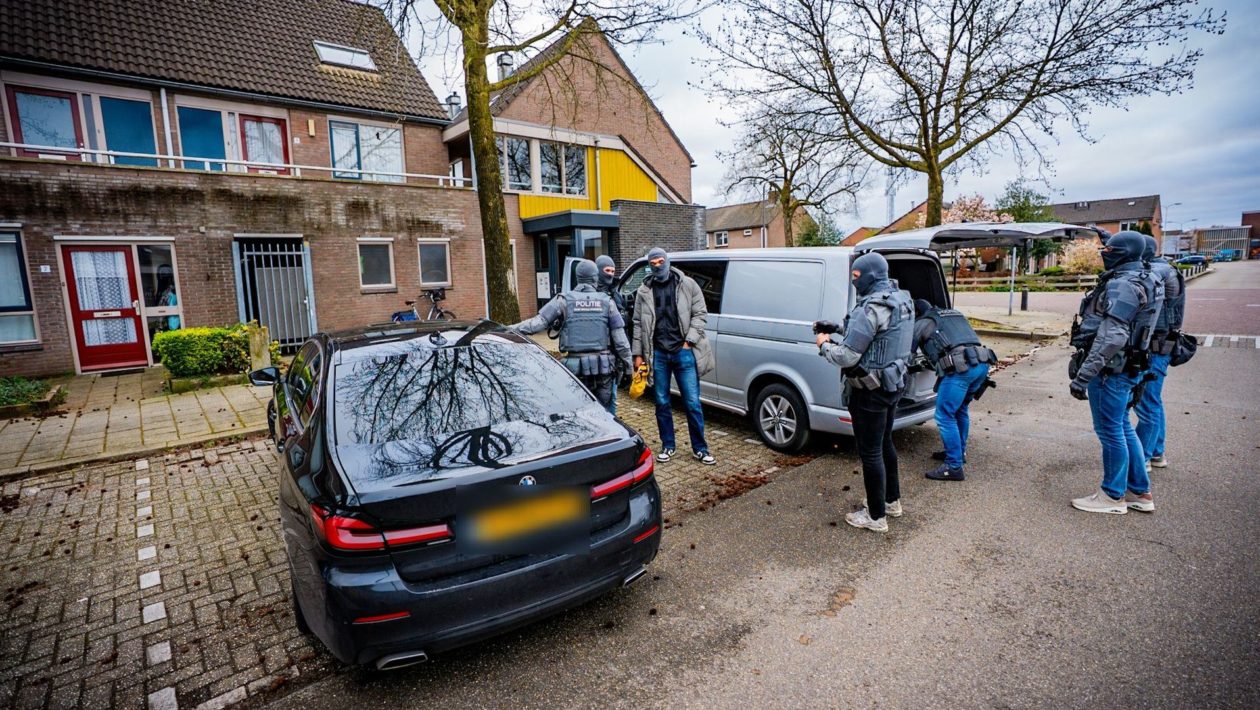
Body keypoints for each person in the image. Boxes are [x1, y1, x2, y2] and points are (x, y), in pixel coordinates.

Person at [817, 252, 914, 533]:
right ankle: (890, 501)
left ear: (869, 276)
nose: (854, 282)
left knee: (870, 453)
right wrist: (836, 328)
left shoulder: (869, 307)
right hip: (892, 385)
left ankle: (875, 516)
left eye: (856, 277)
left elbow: (847, 355)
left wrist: (824, 343)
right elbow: (879, 334)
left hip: (868, 392)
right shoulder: (899, 299)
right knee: (885, 444)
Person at [1068, 231, 1162, 514]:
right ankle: (1139, 492)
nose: (1104, 253)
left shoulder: (1122, 285)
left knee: (1110, 432)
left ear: (1121, 254)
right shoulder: (1148, 277)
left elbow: (1112, 337)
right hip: (1130, 365)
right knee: (1121, 426)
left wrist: (1082, 376)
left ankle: (1112, 496)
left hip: (1111, 370)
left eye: (1109, 249)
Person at [631, 248, 716, 465]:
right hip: (658, 353)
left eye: (661, 261)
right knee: (661, 402)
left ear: (667, 261)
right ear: (649, 266)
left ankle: (700, 448)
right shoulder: (644, 291)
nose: (658, 265)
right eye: (653, 263)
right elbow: (638, 323)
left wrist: (689, 341)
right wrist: (638, 353)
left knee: (692, 403)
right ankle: (668, 445)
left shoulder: (687, 284)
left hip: (683, 352)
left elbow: (700, 313)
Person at [512, 259, 632, 412]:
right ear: (595, 278)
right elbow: (621, 342)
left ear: (578, 278)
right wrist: (629, 369)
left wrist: (504, 328)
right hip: (604, 371)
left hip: (575, 371)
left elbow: (535, 325)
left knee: (579, 414)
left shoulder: (563, 300)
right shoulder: (608, 302)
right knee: (605, 415)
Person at [911, 298, 997, 481]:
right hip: (982, 364)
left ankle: (953, 466)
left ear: (915, 313)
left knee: (944, 415)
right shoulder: (953, 314)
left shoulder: (921, 323)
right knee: (960, 410)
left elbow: (906, 354)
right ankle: (959, 452)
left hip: (961, 369)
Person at [1134, 235, 1184, 470]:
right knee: (1153, 401)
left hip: (1155, 347)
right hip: (1161, 346)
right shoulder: (1166, 268)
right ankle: (1156, 451)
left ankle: (1143, 457)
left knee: (1146, 402)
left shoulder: (1158, 272)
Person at [595, 255, 627, 414]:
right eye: (607, 270)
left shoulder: (616, 294)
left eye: (613, 271)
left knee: (611, 397)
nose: (610, 274)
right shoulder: (588, 294)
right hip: (592, 352)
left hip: (612, 355)